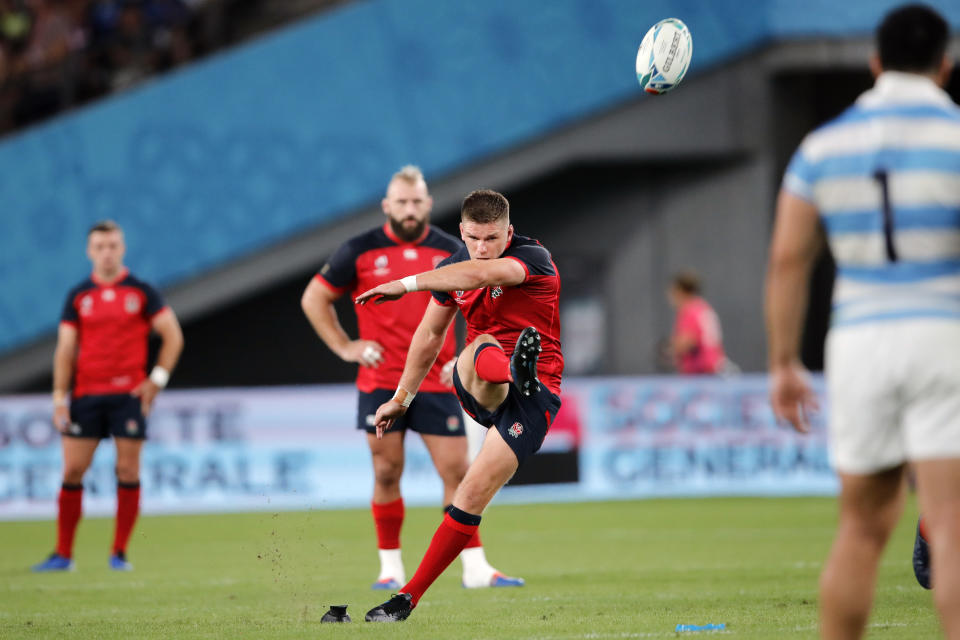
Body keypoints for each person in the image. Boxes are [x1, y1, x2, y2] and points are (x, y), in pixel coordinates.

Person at [766, 5, 960, 638]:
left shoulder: (823, 146)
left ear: (874, 63)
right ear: (946, 65)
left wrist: (782, 362)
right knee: (951, 525)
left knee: (860, 528)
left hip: (858, 344)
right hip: (942, 335)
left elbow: (789, 260)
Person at [300, 166, 522, 590]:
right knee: (386, 472)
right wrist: (345, 347)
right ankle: (390, 569)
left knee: (457, 471)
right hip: (381, 379)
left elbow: (483, 306)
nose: (409, 209)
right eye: (401, 202)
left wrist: (460, 358)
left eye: (417, 201)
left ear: (428, 205)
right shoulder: (359, 250)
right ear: (387, 206)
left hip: (437, 380)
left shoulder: (454, 249)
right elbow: (314, 298)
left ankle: (475, 568)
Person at [355, 188, 564, 622]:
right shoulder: (454, 269)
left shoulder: (532, 258)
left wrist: (405, 284)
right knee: (477, 347)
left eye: (492, 239)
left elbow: (479, 277)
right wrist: (401, 397)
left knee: (469, 495)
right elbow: (430, 336)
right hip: (482, 379)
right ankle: (509, 371)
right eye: (474, 239)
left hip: (538, 395)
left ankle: (404, 600)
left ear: (509, 232)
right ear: (462, 233)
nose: (483, 249)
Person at [33, 220, 184, 572]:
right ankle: (63, 554)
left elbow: (173, 336)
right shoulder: (79, 296)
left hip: (128, 395)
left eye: (113, 245)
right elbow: (65, 349)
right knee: (72, 470)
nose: (107, 252)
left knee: (127, 469)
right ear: (89, 252)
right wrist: (59, 397)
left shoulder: (142, 291)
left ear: (122, 249)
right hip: (86, 395)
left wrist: (156, 380)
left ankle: (118, 553)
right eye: (100, 246)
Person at [667, 270, 726, 374]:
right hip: (715, 367)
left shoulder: (689, 310)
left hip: (701, 373)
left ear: (680, 291)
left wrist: (671, 349)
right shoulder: (703, 307)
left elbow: (688, 342)